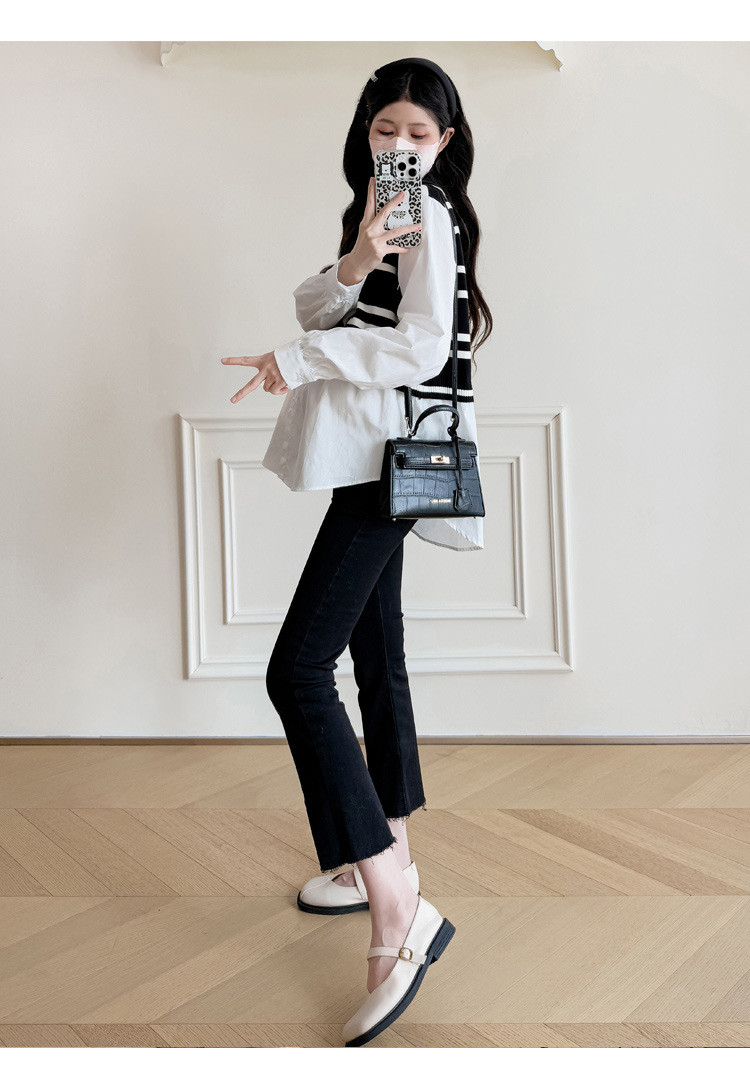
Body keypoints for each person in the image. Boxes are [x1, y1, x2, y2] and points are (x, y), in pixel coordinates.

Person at [221, 56, 493, 1048]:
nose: (401, 147)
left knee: (297, 669)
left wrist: (297, 361)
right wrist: (358, 254)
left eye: (419, 134)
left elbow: (421, 347)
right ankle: (385, 851)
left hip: (391, 460)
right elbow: (318, 305)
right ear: (366, 133)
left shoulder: (437, 216)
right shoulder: (383, 216)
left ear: (445, 143)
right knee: (375, 654)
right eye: (386, 131)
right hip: (370, 456)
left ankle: (394, 901)